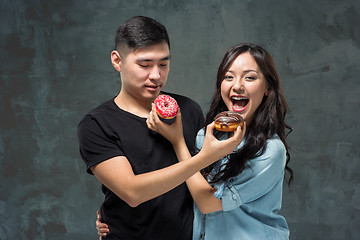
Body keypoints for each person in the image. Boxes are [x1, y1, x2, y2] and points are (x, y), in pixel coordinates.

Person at [97, 43, 294, 239]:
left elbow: (207, 203)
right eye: (228, 77)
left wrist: (178, 142)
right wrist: (115, 215)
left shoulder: (270, 150)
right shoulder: (205, 136)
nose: (237, 85)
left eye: (250, 77)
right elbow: (177, 184)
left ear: (268, 87)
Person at [77, 16, 244, 240]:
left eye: (163, 64)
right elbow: (132, 192)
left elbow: (208, 186)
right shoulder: (97, 124)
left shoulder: (188, 109)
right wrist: (205, 156)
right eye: (144, 65)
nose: (156, 75)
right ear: (117, 61)